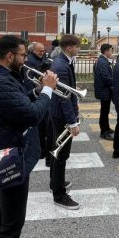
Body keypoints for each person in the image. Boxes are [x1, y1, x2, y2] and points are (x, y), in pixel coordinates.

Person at [0, 35, 57, 238]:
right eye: (23, 55)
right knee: (13, 223)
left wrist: (38, 90)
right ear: (9, 56)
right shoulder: (1, 82)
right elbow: (32, 115)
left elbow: (20, 103)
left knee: (3, 214)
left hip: (6, 151)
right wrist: (48, 90)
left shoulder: (2, 76)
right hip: (9, 156)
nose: (25, 60)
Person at [50, 34, 81, 209]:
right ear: (69, 47)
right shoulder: (62, 65)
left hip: (57, 113)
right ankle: (59, 194)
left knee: (57, 151)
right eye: (77, 46)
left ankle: (55, 182)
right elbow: (64, 98)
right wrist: (73, 122)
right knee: (61, 154)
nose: (79, 49)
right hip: (61, 115)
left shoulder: (63, 61)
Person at [94, 43, 114, 140]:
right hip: (104, 90)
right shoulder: (102, 62)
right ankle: (104, 132)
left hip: (104, 90)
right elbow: (106, 78)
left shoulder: (103, 60)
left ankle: (107, 128)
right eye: (111, 50)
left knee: (105, 111)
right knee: (104, 112)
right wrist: (114, 84)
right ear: (106, 51)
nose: (112, 52)